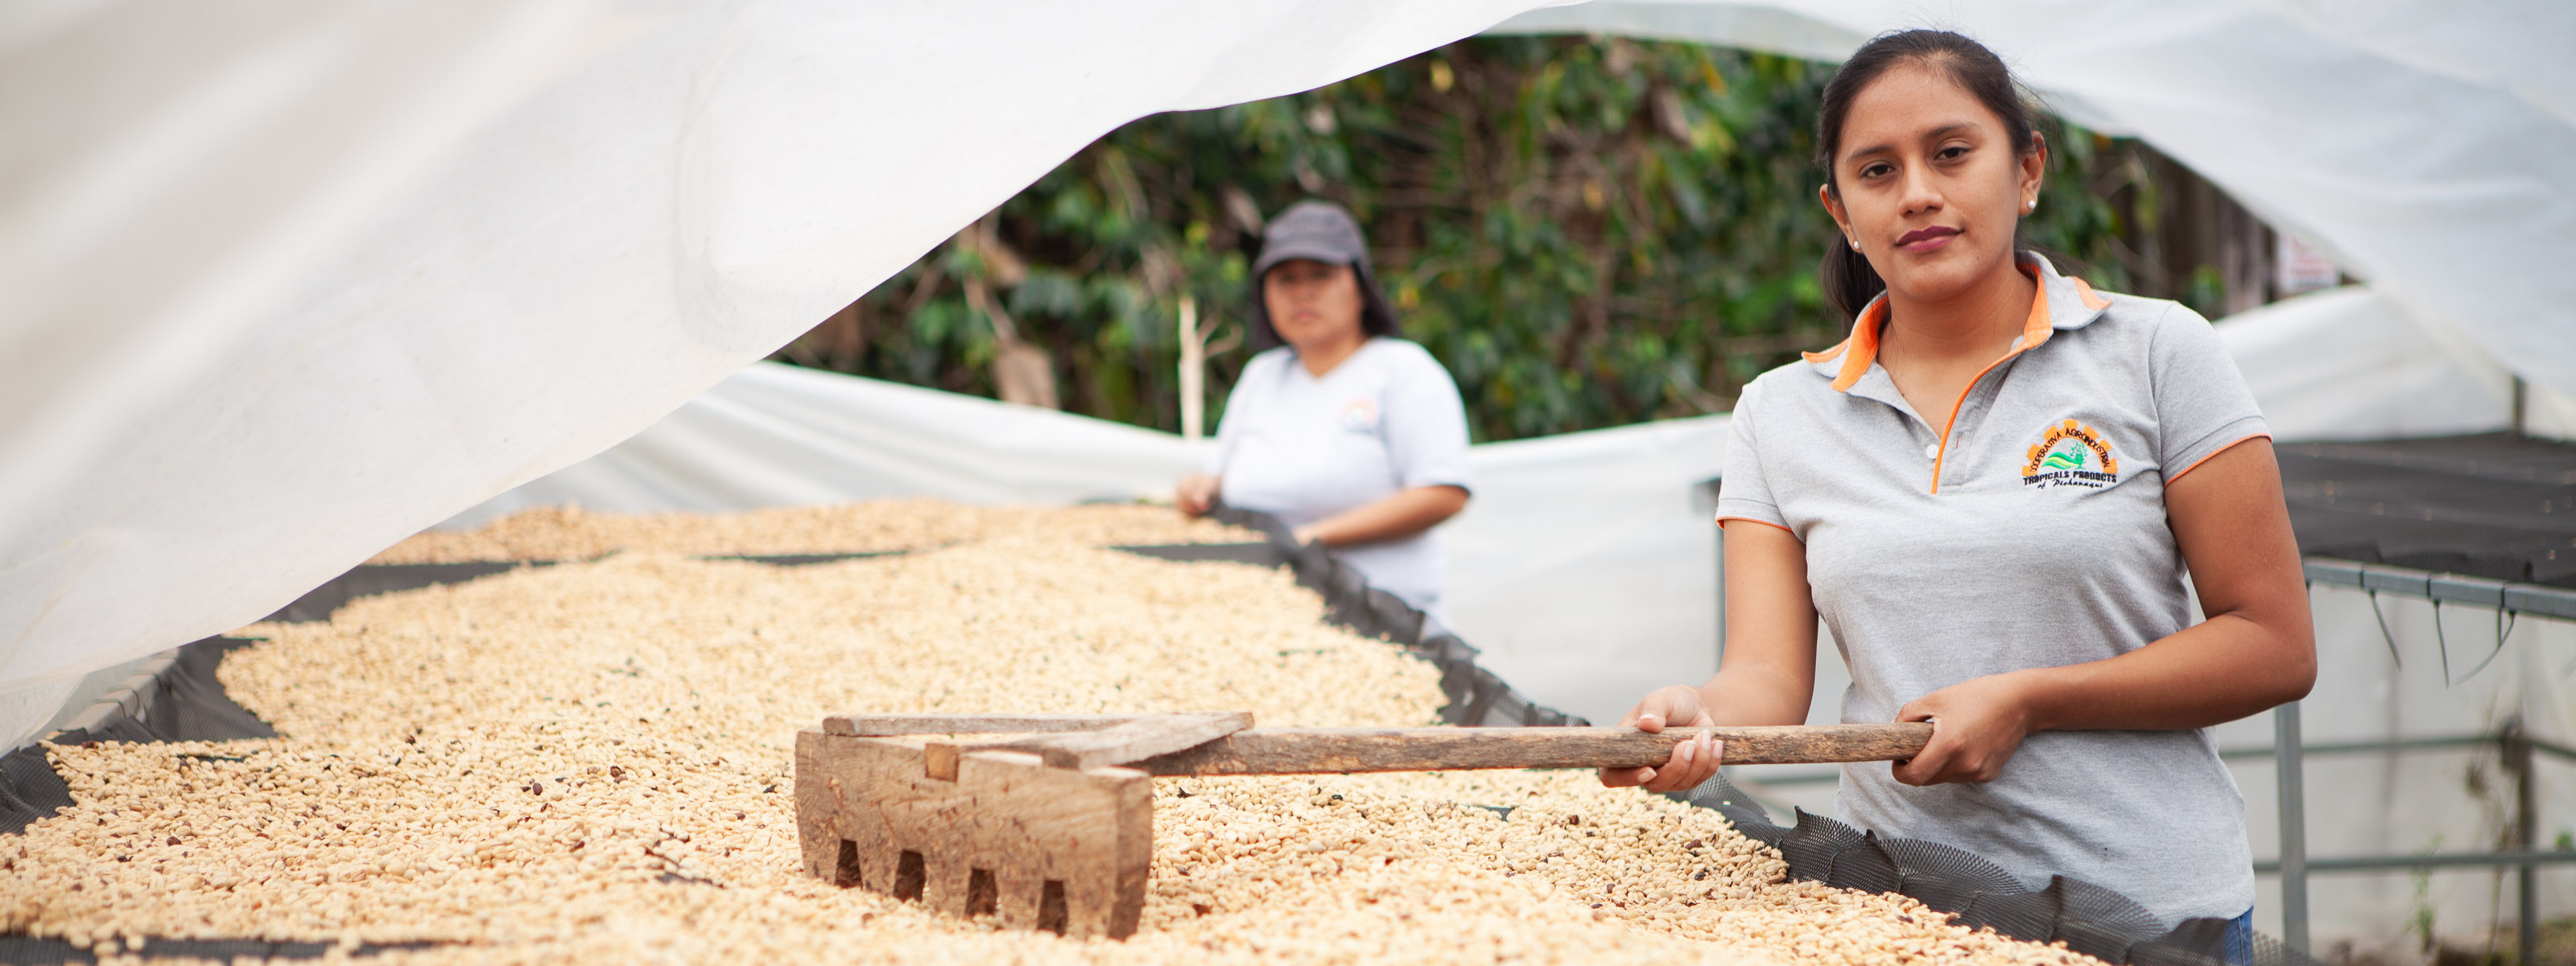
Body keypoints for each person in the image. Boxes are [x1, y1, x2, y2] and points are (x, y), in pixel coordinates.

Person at [1600, 30, 2315, 946]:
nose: (1917, 194)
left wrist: (2029, 699)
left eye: (1949, 153)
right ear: (1840, 211)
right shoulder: (1779, 413)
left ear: (2026, 170)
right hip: (1895, 914)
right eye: (1876, 171)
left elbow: (2271, 643)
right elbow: (1766, 676)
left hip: (2148, 916)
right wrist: (1705, 721)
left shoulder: (2156, 353)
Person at [1175, 200, 1473, 621]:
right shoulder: (1262, 376)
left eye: (1321, 274)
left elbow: (1445, 492)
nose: (1303, 292)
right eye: (1285, 279)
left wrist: (1310, 539)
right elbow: (1222, 477)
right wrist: (1199, 488)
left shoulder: (1404, 371)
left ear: (1360, 288)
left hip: (1384, 614)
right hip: (1264, 610)